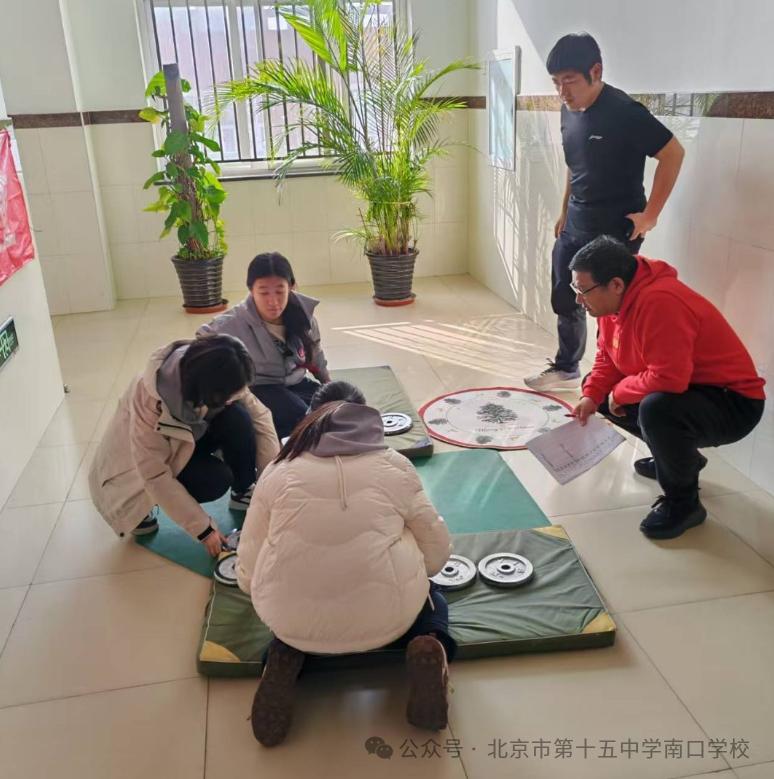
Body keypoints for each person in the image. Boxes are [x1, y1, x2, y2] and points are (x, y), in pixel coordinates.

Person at [235, 395, 454, 746]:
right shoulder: (395, 466)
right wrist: (423, 571)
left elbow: (249, 554)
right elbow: (436, 547)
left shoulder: (277, 470)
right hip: (388, 617)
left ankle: (282, 657)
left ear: (311, 423)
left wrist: (250, 585)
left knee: (292, 626)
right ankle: (430, 644)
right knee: (433, 601)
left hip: (293, 620)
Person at [569, 236, 765, 539]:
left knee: (657, 409)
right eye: (575, 289)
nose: (579, 300)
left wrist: (620, 392)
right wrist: (591, 396)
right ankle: (680, 460)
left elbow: (669, 378)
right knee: (601, 394)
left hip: (733, 403)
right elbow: (608, 357)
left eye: (583, 290)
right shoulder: (612, 306)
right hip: (691, 392)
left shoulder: (660, 302)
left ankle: (684, 505)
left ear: (616, 284)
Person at [525, 32, 685, 391]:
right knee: (565, 293)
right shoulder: (569, 111)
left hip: (614, 228)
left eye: (569, 81)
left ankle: (614, 379)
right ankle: (567, 367)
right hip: (576, 220)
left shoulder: (625, 112)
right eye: (556, 82)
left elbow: (673, 154)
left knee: (610, 306)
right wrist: (564, 210)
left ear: (595, 71)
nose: (562, 92)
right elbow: (574, 165)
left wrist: (651, 215)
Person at [89, 335, 279, 554]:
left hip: (184, 440)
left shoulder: (218, 364)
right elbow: (154, 474)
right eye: (225, 396)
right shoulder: (149, 401)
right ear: (205, 391)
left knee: (238, 417)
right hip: (132, 473)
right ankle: (139, 511)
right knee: (215, 480)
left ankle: (243, 490)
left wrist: (270, 482)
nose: (231, 398)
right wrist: (203, 529)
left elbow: (261, 417)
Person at [198, 252, 331, 439]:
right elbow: (201, 341)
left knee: (334, 408)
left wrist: (328, 384)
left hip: (294, 383)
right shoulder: (234, 322)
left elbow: (315, 354)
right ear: (251, 290)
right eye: (263, 292)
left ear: (291, 287)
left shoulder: (303, 315)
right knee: (300, 416)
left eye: (280, 291)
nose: (273, 301)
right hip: (259, 387)